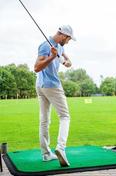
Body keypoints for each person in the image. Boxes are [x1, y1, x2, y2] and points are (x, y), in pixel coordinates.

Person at [34, 25, 76, 167]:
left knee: (44, 120)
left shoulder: (60, 46)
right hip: (51, 85)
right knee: (65, 117)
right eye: (69, 39)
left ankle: (46, 155)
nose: (69, 41)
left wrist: (66, 62)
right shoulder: (45, 46)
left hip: (41, 86)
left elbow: (68, 62)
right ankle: (61, 148)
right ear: (63, 35)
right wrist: (52, 57)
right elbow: (36, 67)